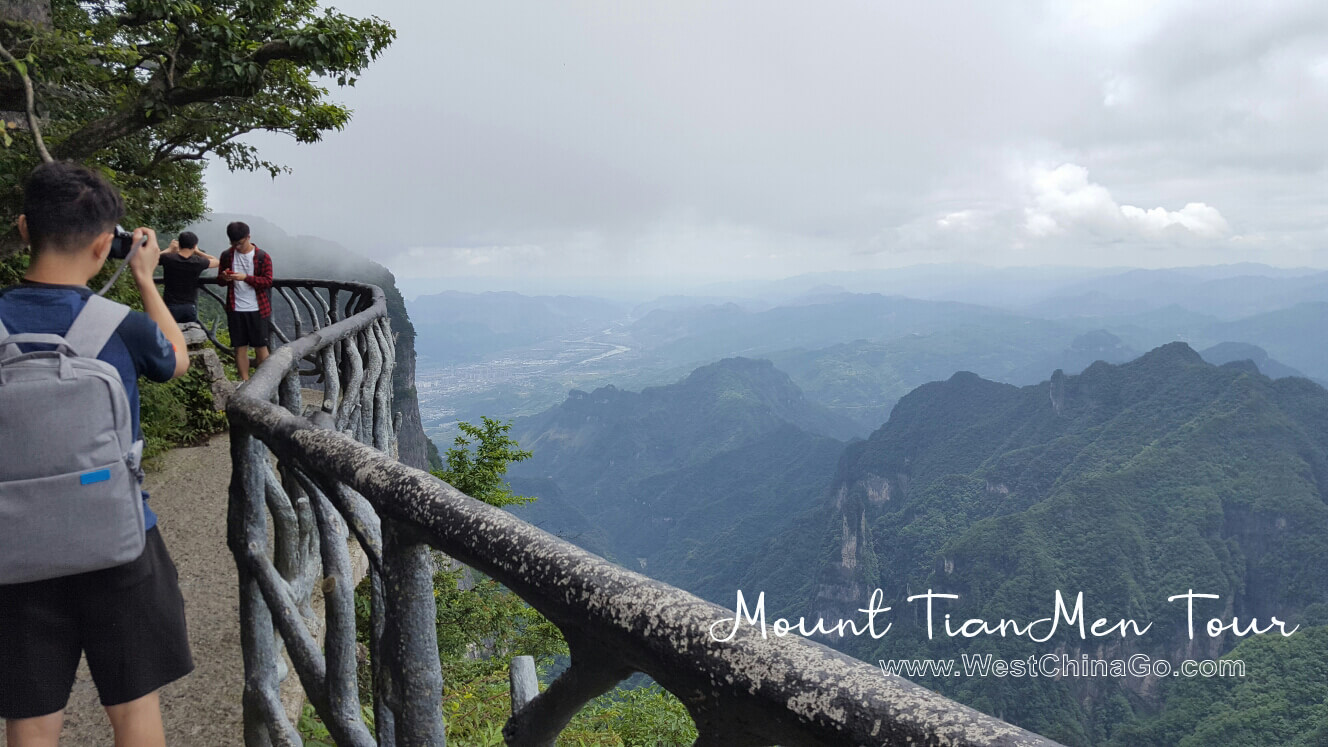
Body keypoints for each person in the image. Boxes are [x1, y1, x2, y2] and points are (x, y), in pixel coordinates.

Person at [0, 162, 193, 747]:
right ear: (106, 241)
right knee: (134, 711)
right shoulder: (123, 326)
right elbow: (177, 360)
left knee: (30, 720)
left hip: (11, 547)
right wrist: (144, 278)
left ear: (24, 228)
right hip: (119, 538)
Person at [217, 221, 274, 381]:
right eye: (234, 244)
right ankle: (244, 382)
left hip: (258, 308)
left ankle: (263, 383)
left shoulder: (263, 257)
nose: (237, 247)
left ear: (248, 237)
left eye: (240, 244)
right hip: (235, 308)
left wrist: (245, 278)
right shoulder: (227, 256)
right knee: (239, 348)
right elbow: (220, 282)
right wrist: (224, 277)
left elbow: (267, 281)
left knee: (261, 348)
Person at [158, 231, 218, 324]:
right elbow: (216, 261)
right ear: (194, 246)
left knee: (168, 336)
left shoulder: (168, 258)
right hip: (189, 307)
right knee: (189, 334)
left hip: (170, 306)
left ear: (179, 244)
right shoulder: (198, 262)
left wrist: (169, 249)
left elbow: (150, 258)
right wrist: (198, 252)